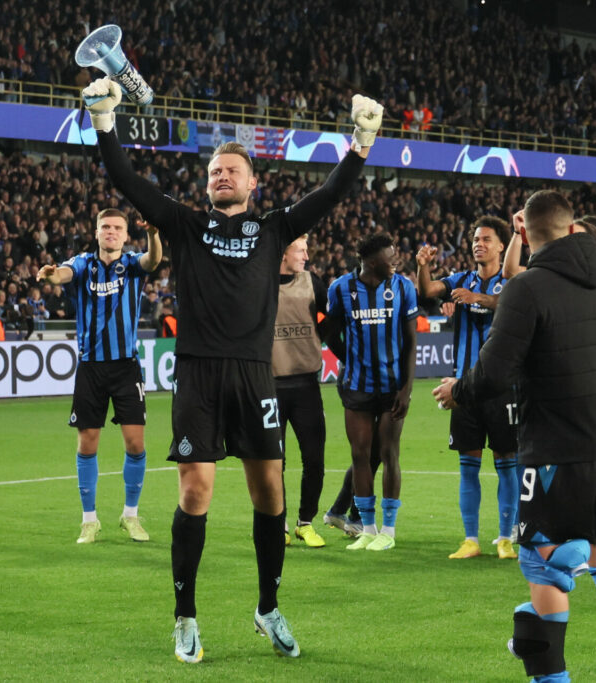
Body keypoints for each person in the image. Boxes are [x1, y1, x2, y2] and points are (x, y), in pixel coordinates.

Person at [83, 77, 379, 662]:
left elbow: (327, 196)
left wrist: (361, 142)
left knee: (271, 493)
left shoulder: (272, 229)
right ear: (208, 181)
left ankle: (267, 608)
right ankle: (185, 616)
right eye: (215, 170)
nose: (222, 175)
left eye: (233, 170)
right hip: (197, 375)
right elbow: (124, 181)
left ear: (251, 182)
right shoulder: (185, 225)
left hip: (254, 375)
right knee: (196, 492)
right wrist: (104, 121)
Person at [433, 190, 596, 683]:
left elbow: (494, 373)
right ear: (574, 230)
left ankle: (552, 675)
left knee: (541, 562)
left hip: (554, 448)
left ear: (523, 234)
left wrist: (456, 390)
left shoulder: (525, 289)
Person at [37, 211, 162, 545]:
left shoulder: (134, 263)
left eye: (117, 228)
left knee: (136, 443)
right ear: (96, 232)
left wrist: (153, 234)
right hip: (91, 368)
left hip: (126, 367)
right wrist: (51, 276)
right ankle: (89, 520)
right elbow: (63, 274)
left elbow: (153, 261)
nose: (111, 232)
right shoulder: (83, 264)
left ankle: (130, 515)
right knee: (87, 443)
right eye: (105, 227)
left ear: (125, 235)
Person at [417, 216, 518, 560]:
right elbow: (427, 292)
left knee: (507, 461)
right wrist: (424, 268)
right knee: (468, 464)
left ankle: (506, 538)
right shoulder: (460, 279)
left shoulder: (511, 282)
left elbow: (512, 307)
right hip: (463, 387)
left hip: (503, 387)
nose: (479, 244)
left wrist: (479, 298)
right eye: (476, 239)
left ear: (502, 245)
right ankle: (471, 539)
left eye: (486, 239)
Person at [326, 233, 418, 552]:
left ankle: (388, 530)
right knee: (360, 455)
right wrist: (349, 358)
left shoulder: (404, 288)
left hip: (392, 386)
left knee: (389, 453)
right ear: (371, 261)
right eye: (389, 257)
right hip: (357, 386)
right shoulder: (341, 288)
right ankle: (367, 527)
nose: (395, 261)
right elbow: (329, 330)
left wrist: (406, 389)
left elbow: (410, 343)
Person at [272, 235, 329, 548]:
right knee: (274, 462)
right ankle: (277, 522)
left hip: (307, 384)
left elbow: (331, 321)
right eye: (301, 249)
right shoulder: (260, 282)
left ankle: (305, 523)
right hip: (271, 387)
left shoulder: (312, 283)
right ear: (283, 252)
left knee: (314, 460)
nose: (306, 255)